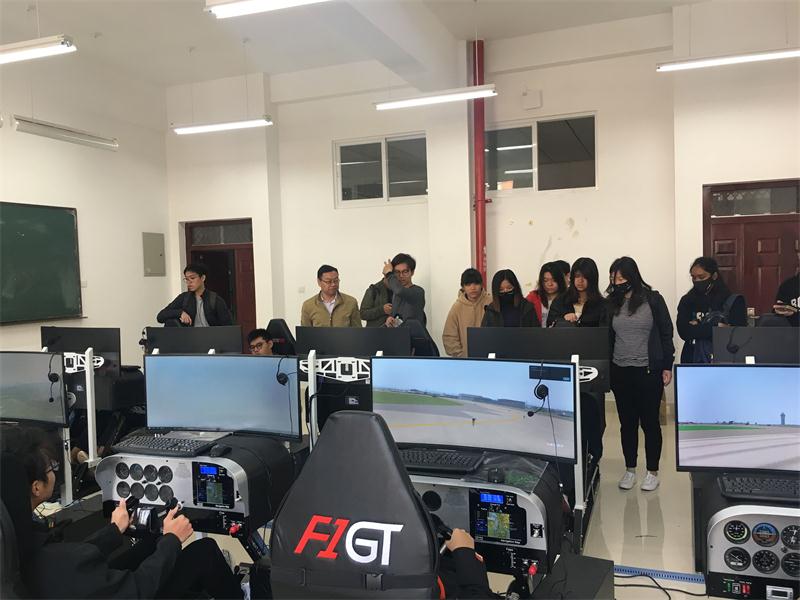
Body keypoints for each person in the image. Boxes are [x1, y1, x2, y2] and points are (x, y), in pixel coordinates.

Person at [0, 426, 243, 600]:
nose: (54, 471)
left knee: (150, 544)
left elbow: (75, 564)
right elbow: (137, 589)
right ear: (36, 487)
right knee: (205, 551)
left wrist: (114, 531)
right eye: (51, 467)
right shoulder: (58, 562)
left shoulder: (13, 539)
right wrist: (172, 539)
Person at [607, 257, 674, 492]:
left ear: (632, 276)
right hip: (620, 370)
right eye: (614, 278)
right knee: (627, 424)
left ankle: (652, 471)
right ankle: (630, 469)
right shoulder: (612, 303)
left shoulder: (653, 299)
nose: (617, 282)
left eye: (621, 278)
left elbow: (666, 332)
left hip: (648, 370)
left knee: (650, 422)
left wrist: (667, 365)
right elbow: (607, 336)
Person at [547, 258, 608, 470]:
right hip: (565, 367)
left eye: (585, 277)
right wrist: (564, 320)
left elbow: (605, 335)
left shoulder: (601, 304)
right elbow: (549, 329)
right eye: (577, 276)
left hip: (593, 369)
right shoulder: (561, 301)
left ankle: (592, 458)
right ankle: (566, 459)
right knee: (565, 416)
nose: (580, 281)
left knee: (594, 415)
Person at [676, 257, 747, 363]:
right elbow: (684, 332)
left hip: (725, 357)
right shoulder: (687, 300)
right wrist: (716, 327)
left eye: (701, 277)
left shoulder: (732, 300)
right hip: (692, 357)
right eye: (693, 278)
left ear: (714, 276)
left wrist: (698, 327)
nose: (697, 281)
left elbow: (738, 333)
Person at [157, 263, 234, 327]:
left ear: (203, 278)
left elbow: (228, 326)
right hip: (190, 338)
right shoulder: (184, 298)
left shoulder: (215, 300)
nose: (189, 282)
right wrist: (180, 313)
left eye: (192, 278)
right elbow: (160, 316)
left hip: (211, 338)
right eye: (187, 279)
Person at [443, 268, 492, 357]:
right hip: (464, 361)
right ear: (463, 287)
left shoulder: (491, 303)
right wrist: (462, 355)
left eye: (476, 283)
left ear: (481, 284)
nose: (473, 288)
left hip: (489, 359)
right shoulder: (457, 307)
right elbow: (449, 336)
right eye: (468, 284)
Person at [381, 253, 427, 326]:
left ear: (412, 272)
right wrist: (390, 321)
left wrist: (389, 274)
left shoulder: (418, 292)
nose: (401, 276)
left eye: (405, 272)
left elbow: (400, 291)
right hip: (399, 333)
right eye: (397, 272)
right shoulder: (396, 294)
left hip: (412, 333)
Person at [526, 262, 568, 327]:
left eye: (554, 280)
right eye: (546, 280)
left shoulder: (568, 298)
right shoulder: (532, 297)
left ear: (560, 280)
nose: (550, 284)